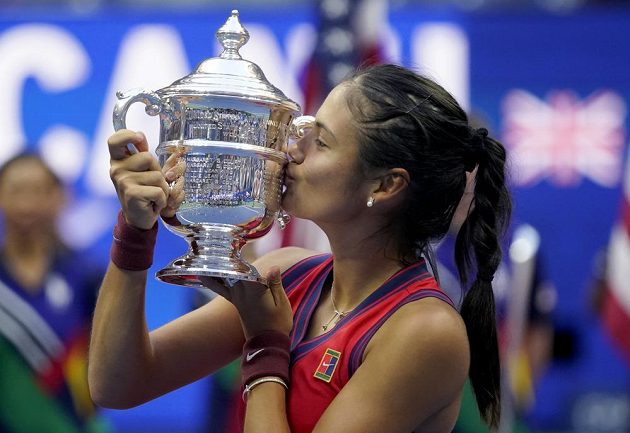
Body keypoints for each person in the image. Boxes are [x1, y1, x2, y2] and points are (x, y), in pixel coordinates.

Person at [88, 64, 511, 433]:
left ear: (386, 185)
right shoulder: (288, 274)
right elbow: (118, 384)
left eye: (320, 142)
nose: (292, 150)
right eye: (304, 131)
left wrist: (266, 342)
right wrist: (136, 230)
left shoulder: (425, 331)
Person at [434, 168, 556, 433]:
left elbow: (538, 328)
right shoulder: (418, 247)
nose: (464, 197)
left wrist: (518, 389)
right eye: (456, 186)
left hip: (496, 387)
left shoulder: (520, 245)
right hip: (432, 385)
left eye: (472, 188)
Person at [0, 153, 112, 433]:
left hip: (72, 423)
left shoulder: (87, 275)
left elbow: (106, 356)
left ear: (59, 197)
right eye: (16, 190)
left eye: (37, 191)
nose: (26, 203)